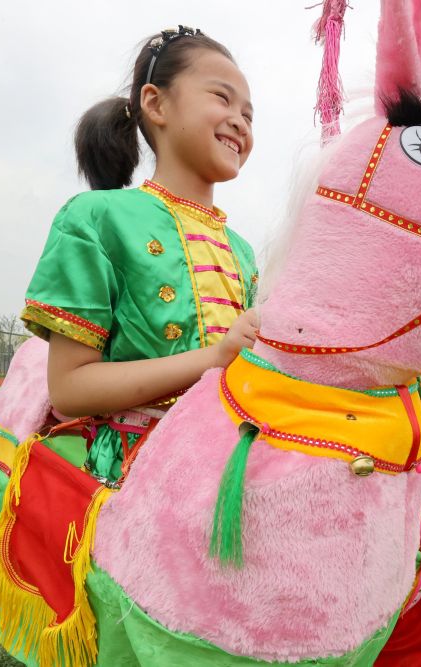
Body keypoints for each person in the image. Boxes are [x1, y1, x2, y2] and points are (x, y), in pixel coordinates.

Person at [21, 27, 260, 484]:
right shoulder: (96, 217)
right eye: (222, 98)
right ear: (155, 103)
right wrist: (215, 358)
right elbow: (69, 389)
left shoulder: (242, 250)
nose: (240, 121)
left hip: (229, 474)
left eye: (249, 113)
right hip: (134, 480)